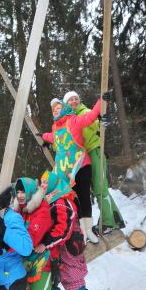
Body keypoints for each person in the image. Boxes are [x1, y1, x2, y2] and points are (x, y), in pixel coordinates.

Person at [39, 170, 99, 290]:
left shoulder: (63, 201)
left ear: (55, 184)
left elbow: (62, 231)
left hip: (69, 254)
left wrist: (45, 242)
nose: (43, 186)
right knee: (51, 289)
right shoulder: (48, 201)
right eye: (42, 182)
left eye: (46, 183)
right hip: (54, 255)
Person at [42, 97, 103, 244]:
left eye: (58, 107)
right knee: (74, 199)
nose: (56, 110)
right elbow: (54, 137)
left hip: (81, 166)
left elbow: (89, 118)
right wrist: (44, 137)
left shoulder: (74, 120)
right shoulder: (55, 127)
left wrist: (101, 101)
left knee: (84, 197)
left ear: (64, 108)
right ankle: (82, 230)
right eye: (53, 109)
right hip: (67, 172)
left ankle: (89, 230)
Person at [63, 90, 125, 234]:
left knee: (99, 188)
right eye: (70, 100)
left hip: (94, 151)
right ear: (66, 104)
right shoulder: (69, 119)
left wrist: (102, 119)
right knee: (96, 188)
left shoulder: (84, 111)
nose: (73, 102)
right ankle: (115, 218)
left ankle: (108, 222)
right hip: (82, 158)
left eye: (75, 99)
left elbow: (95, 121)